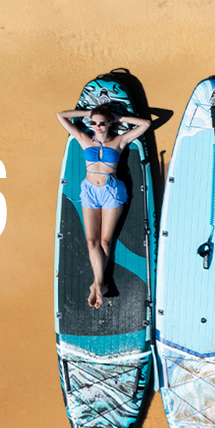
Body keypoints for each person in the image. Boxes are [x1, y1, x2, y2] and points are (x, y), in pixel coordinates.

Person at [57, 106, 152, 308]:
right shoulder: (84, 139)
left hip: (111, 191)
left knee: (105, 242)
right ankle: (99, 284)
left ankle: (98, 284)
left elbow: (145, 124)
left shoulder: (119, 142)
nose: (97, 126)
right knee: (91, 241)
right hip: (90, 191)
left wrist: (119, 118)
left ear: (109, 123)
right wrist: (88, 114)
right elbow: (61, 116)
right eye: (94, 123)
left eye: (101, 123)